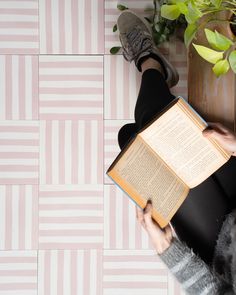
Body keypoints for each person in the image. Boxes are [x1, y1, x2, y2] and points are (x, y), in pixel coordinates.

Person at [116, 10, 236, 294]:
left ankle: (153, 66)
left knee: (135, 141)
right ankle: (150, 63)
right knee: (150, 125)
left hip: (223, 245)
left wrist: (167, 248)